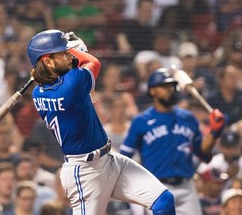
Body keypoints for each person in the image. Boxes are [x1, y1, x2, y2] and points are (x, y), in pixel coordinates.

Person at [27, 29, 176, 214]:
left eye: (67, 51)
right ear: (48, 61)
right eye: (63, 52)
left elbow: (61, 77)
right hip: (85, 173)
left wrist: (66, 56)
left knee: (163, 200)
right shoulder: (72, 84)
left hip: (109, 159)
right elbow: (93, 62)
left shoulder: (38, 93)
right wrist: (78, 50)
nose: (68, 54)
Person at [119, 68, 225, 215]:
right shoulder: (141, 121)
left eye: (171, 86)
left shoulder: (187, 118)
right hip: (157, 187)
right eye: (163, 87)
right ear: (152, 91)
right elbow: (125, 157)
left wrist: (214, 132)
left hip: (186, 185)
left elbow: (204, 154)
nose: (169, 90)